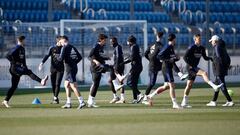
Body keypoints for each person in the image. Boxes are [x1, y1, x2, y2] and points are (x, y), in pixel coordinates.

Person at [142, 32, 188, 105]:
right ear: (162, 37)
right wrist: (162, 60)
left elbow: (145, 54)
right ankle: (145, 97)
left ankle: (150, 96)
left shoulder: (151, 44)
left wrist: (151, 60)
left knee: (166, 85)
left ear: (156, 36)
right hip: (157, 66)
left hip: (153, 65)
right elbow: (161, 56)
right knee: (152, 83)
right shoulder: (161, 46)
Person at [2, 36, 48, 108]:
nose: (25, 42)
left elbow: (23, 60)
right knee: (29, 72)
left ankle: (5, 101)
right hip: (15, 69)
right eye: (24, 40)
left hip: (19, 68)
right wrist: (14, 62)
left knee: (14, 86)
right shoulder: (17, 48)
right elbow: (8, 55)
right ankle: (41, 81)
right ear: (22, 40)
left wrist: (25, 66)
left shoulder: (22, 49)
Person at [180, 34, 223, 108]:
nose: (200, 40)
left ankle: (184, 102)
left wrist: (210, 58)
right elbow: (184, 57)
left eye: (200, 38)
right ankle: (214, 86)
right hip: (190, 67)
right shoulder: (191, 47)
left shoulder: (202, 48)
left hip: (194, 67)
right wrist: (190, 64)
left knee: (189, 85)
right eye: (198, 39)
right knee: (204, 73)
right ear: (195, 39)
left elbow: (205, 57)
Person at [87, 34, 124, 108]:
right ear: (101, 39)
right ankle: (116, 85)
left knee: (96, 85)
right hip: (96, 67)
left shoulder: (101, 47)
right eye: (105, 40)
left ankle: (90, 101)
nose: (106, 42)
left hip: (98, 68)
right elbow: (89, 56)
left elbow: (99, 56)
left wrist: (106, 58)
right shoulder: (96, 46)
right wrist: (95, 61)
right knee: (111, 68)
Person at [57, 36, 86, 109]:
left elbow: (60, 59)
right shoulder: (72, 47)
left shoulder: (64, 47)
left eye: (60, 41)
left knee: (73, 86)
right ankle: (68, 103)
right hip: (73, 67)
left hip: (69, 69)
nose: (60, 42)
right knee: (66, 85)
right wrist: (73, 63)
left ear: (63, 40)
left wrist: (56, 56)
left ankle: (81, 102)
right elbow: (79, 57)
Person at [206, 35, 234, 107]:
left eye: (212, 41)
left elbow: (219, 57)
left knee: (222, 85)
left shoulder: (217, 47)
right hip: (221, 68)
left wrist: (224, 66)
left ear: (215, 41)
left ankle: (229, 101)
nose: (211, 42)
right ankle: (213, 101)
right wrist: (227, 65)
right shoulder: (222, 47)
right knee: (216, 86)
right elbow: (228, 58)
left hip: (219, 69)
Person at [38, 36, 64, 104]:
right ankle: (56, 98)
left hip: (61, 69)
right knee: (53, 84)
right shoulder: (52, 48)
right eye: (62, 41)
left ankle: (55, 98)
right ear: (58, 41)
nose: (63, 42)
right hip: (53, 69)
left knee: (58, 83)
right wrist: (41, 63)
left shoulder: (64, 48)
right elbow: (47, 56)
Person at [121, 35, 143, 104]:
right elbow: (132, 56)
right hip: (138, 66)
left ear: (130, 42)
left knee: (129, 82)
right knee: (134, 83)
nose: (127, 43)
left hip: (135, 67)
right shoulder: (135, 46)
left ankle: (139, 94)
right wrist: (126, 59)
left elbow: (132, 58)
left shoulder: (133, 47)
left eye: (128, 41)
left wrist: (124, 62)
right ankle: (135, 99)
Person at [109, 37, 126, 104]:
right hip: (119, 65)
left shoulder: (118, 47)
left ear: (114, 42)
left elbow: (118, 57)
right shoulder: (118, 47)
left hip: (118, 66)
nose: (111, 43)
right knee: (120, 81)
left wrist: (115, 66)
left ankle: (116, 97)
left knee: (111, 81)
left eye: (112, 42)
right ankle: (121, 98)